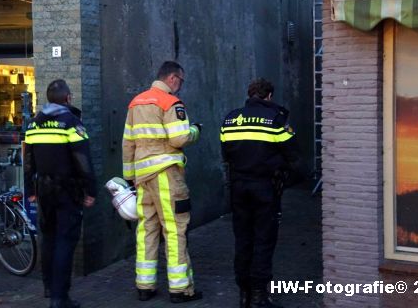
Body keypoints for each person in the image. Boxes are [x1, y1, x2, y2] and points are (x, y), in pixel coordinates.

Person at [122, 61, 203, 303]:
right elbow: (179, 138)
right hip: (167, 174)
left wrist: (129, 177)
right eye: (181, 81)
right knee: (175, 229)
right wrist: (195, 131)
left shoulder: (135, 102)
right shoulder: (170, 102)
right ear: (173, 78)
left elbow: (128, 143)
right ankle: (180, 289)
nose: (180, 86)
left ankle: (144, 286)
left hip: (142, 178)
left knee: (147, 229)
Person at [220, 78, 300, 308]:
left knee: (243, 239)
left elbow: (226, 154)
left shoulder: (230, 119)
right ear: (269, 96)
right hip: (265, 188)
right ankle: (259, 297)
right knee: (263, 240)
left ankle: (243, 295)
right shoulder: (275, 119)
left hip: (238, 189)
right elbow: (293, 155)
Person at [24, 79, 97, 308]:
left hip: (43, 191)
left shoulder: (34, 124)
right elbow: (83, 161)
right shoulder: (71, 123)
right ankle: (60, 298)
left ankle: (48, 287)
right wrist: (90, 190)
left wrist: (30, 191)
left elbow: (28, 161)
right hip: (67, 190)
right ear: (68, 98)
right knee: (65, 241)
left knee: (49, 238)